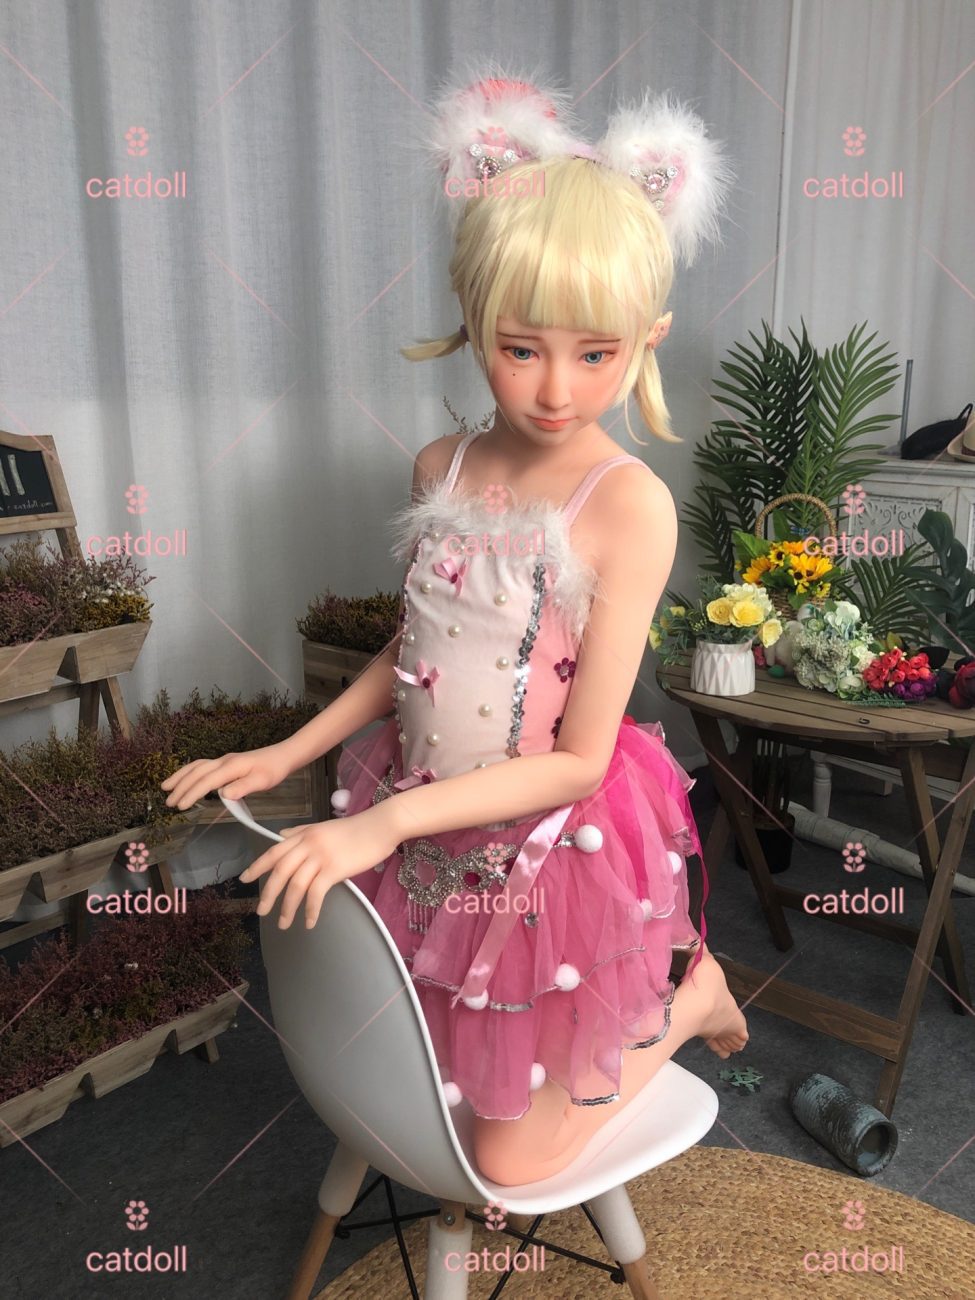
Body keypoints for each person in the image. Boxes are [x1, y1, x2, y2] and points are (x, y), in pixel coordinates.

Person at [161, 69, 747, 1186]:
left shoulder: (627, 505)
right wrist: (287, 752)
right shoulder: (443, 464)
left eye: (597, 353)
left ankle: (690, 999)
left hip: (545, 838)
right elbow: (415, 650)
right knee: (425, 1042)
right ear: (471, 320)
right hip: (426, 814)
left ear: (649, 337)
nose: (556, 390)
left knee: (509, 1165)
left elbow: (579, 758)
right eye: (522, 347)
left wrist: (380, 829)